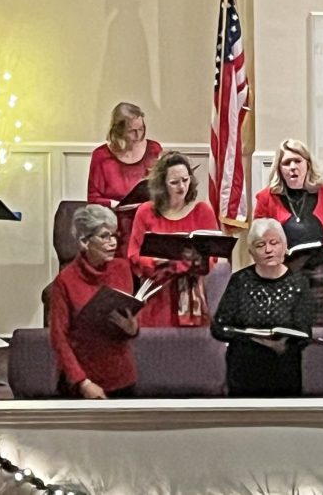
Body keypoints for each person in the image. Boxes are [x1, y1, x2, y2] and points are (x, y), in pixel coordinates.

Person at [210, 218, 317, 396]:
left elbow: (304, 333)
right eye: (260, 245)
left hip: (283, 365)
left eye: (274, 243)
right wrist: (253, 339)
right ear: (251, 252)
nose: (268, 250)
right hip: (245, 365)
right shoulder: (240, 280)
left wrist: (282, 344)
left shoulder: (299, 282)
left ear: (284, 246)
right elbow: (219, 327)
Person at [253, 139, 323, 323]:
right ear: (279, 168)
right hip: (280, 271)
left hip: (318, 271)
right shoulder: (266, 198)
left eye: (297, 161)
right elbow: (257, 239)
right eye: (286, 163)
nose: (292, 167)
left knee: (316, 333)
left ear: (308, 164)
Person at [49, 205, 139, 399]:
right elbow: (58, 337)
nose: (113, 242)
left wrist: (132, 329)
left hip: (121, 375)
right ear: (84, 241)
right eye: (105, 236)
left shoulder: (122, 269)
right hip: (83, 379)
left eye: (114, 235)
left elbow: (127, 320)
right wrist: (83, 382)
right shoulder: (65, 281)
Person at [128, 151, 219, 327]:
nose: (182, 187)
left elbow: (211, 257)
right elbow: (134, 254)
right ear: (162, 184)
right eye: (174, 182)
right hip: (157, 291)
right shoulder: (145, 211)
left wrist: (178, 264)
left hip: (191, 297)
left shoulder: (202, 211)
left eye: (185, 180)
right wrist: (156, 262)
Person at [87, 102, 162, 247]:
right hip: (114, 227)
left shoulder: (154, 149)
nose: (138, 135)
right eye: (132, 131)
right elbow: (92, 200)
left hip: (149, 223)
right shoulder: (101, 156)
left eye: (141, 129)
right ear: (118, 131)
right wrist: (116, 205)